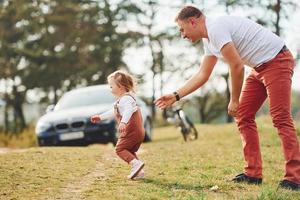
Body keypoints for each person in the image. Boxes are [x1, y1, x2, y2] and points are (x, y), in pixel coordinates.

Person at [154, 5, 300, 190]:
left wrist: (234, 99)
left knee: (280, 117)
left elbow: (237, 66)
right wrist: (176, 95)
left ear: (193, 21)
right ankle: (253, 173)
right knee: (244, 115)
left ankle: (295, 178)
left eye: (182, 29)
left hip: (277, 60)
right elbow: (203, 75)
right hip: (258, 67)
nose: (182, 35)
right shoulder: (209, 41)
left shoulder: (216, 27)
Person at [91, 70, 145, 180]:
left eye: (111, 86)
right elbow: (113, 112)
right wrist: (100, 117)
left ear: (120, 86)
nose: (110, 89)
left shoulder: (126, 99)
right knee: (129, 150)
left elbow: (128, 110)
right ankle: (139, 171)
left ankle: (136, 164)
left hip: (131, 130)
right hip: (137, 131)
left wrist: (124, 122)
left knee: (119, 149)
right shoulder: (123, 100)